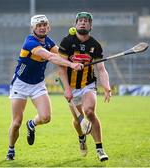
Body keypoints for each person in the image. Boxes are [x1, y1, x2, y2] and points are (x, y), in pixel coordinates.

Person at [6, 14, 83, 161]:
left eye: (44, 25)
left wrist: (76, 58)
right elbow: (51, 57)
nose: (42, 28)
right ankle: (11, 149)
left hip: (38, 84)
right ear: (33, 28)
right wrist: (71, 65)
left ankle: (31, 124)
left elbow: (61, 54)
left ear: (48, 27)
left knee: (46, 118)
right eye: (38, 26)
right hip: (20, 84)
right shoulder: (30, 42)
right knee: (16, 123)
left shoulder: (48, 41)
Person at [58, 12, 111, 162]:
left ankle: (100, 148)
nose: (83, 23)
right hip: (71, 86)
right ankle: (81, 137)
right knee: (77, 119)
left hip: (88, 84)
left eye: (86, 21)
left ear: (91, 26)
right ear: (75, 24)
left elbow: (101, 69)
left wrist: (106, 87)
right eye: (80, 21)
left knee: (89, 112)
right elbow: (61, 69)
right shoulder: (67, 42)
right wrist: (67, 89)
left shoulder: (95, 45)